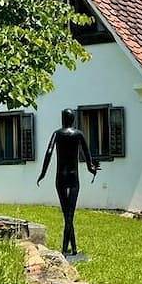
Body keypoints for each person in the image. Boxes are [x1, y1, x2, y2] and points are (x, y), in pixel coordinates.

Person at [37, 108, 98, 255]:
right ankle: (70, 249)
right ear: (73, 119)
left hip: (60, 177)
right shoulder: (78, 134)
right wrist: (91, 169)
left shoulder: (57, 134)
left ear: (63, 119)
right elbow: (87, 154)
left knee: (67, 213)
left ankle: (68, 249)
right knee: (69, 214)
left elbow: (49, 152)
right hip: (73, 177)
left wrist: (43, 173)